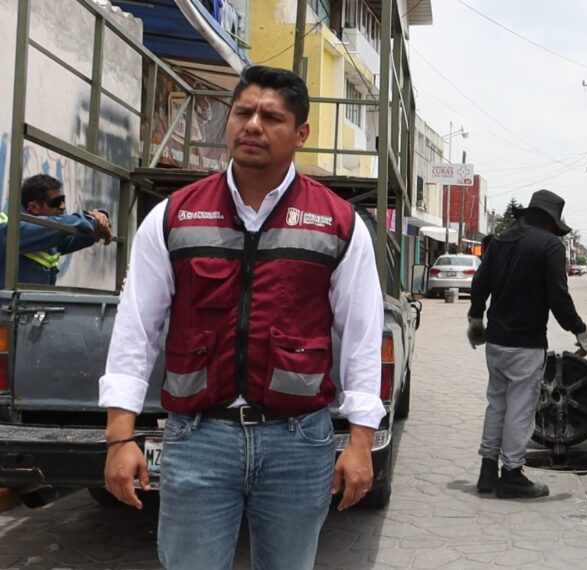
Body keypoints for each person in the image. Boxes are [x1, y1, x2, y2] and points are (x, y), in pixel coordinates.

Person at [99, 66, 385, 569]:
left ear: (300, 134)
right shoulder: (174, 216)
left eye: (271, 116)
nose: (253, 124)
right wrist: (120, 436)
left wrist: (360, 442)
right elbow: (136, 329)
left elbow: (362, 336)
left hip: (299, 442)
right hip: (198, 437)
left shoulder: (337, 222)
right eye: (243, 112)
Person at [466, 189, 587, 499]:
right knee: (521, 409)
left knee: (497, 404)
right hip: (526, 343)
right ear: (550, 221)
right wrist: (579, 330)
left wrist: (475, 319)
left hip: (496, 342)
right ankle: (511, 474)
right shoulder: (550, 245)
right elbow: (558, 297)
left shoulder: (499, 240)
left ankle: (487, 471)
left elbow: (480, 283)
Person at [0, 174, 113, 285]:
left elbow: (85, 235)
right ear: (34, 207)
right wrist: (91, 221)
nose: (62, 206)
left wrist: (100, 218)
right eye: (56, 202)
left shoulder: (52, 235)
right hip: (11, 303)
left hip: (35, 302)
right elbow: (62, 224)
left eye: (62, 200)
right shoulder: (9, 227)